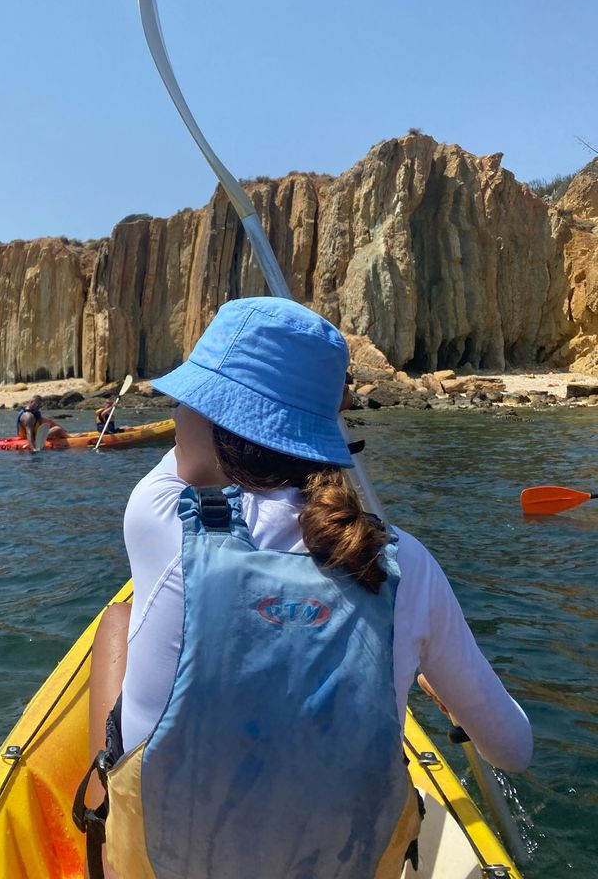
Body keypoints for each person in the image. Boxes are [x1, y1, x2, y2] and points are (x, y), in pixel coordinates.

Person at [81, 296, 533, 879]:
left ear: (217, 420)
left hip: (161, 864)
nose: (176, 411)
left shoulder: (157, 518)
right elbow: (513, 751)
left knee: (119, 620)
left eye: (188, 398)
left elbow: (193, 462)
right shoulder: (408, 568)